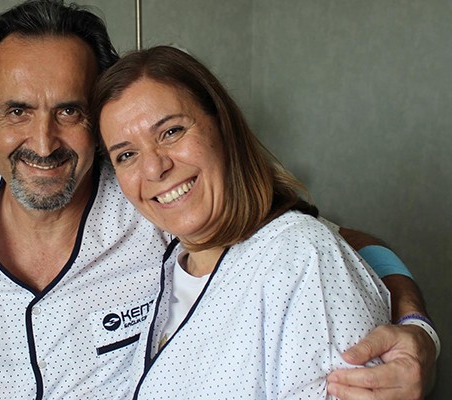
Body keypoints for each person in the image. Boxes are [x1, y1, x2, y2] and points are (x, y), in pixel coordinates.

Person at [0, 1, 437, 399]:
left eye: (70, 111)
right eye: (17, 111)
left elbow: (325, 244)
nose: (43, 142)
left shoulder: (154, 207)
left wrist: (415, 333)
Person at [92, 44, 407, 398]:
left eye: (171, 132)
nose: (154, 168)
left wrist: (418, 325)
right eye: (127, 154)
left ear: (222, 126)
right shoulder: (170, 265)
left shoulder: (302, 258)